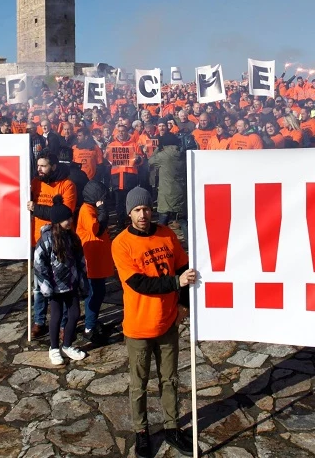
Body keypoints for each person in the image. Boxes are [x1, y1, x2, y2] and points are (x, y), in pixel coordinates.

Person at [112, 187, 196, 458]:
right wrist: (175, 283)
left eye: (146, 209)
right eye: (137, 210)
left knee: (170, 379)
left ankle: (172, 427)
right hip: (138, 327)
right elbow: (139, 283)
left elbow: (183, 267)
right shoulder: (121, 243)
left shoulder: (167, 234)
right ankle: (142, 432)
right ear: (129, 213)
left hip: (168, 322)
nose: (143, 214)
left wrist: (183, 302)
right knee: (139, 384)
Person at [28, 152, 78, 338]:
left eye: (43, 166)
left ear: (54, 167)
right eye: (38, 165)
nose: (39, 169)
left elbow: (64, 213)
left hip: (59, 241)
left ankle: (65, 323)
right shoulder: (35, 183)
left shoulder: (67, 185)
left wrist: (36, 208)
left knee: (62, 285)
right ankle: (39, 321)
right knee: (38, 286)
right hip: (37, 241)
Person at [34, 196, 89, 365]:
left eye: (71, 217)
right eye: (67, 219)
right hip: (54, 286)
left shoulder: (73, 238)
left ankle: (67, 345)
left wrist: (82, 280)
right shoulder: (46, 239)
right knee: (56, 316)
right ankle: (54, 348)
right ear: (58, 221)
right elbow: (39, 263)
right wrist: (46, 285)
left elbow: (80, 260)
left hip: (71, 283)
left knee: (74, 314)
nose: (70, 221)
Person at [76, 180, 113, 345]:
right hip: (92, 261)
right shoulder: (87, 210)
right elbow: (97, 229)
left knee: (97, 292)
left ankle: (91, 323)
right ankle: (89, 328)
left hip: (96, 259)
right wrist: (102, 208)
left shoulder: (88, 208)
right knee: (95, 294)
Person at [148, 133, 188, 243]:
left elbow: (150, 161)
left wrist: (157, 149)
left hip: (166, 193)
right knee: (183, 220)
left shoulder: (162, 156)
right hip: (180, 191)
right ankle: (191, 243)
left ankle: (160, 243)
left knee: (163, 219)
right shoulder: (182, 154)